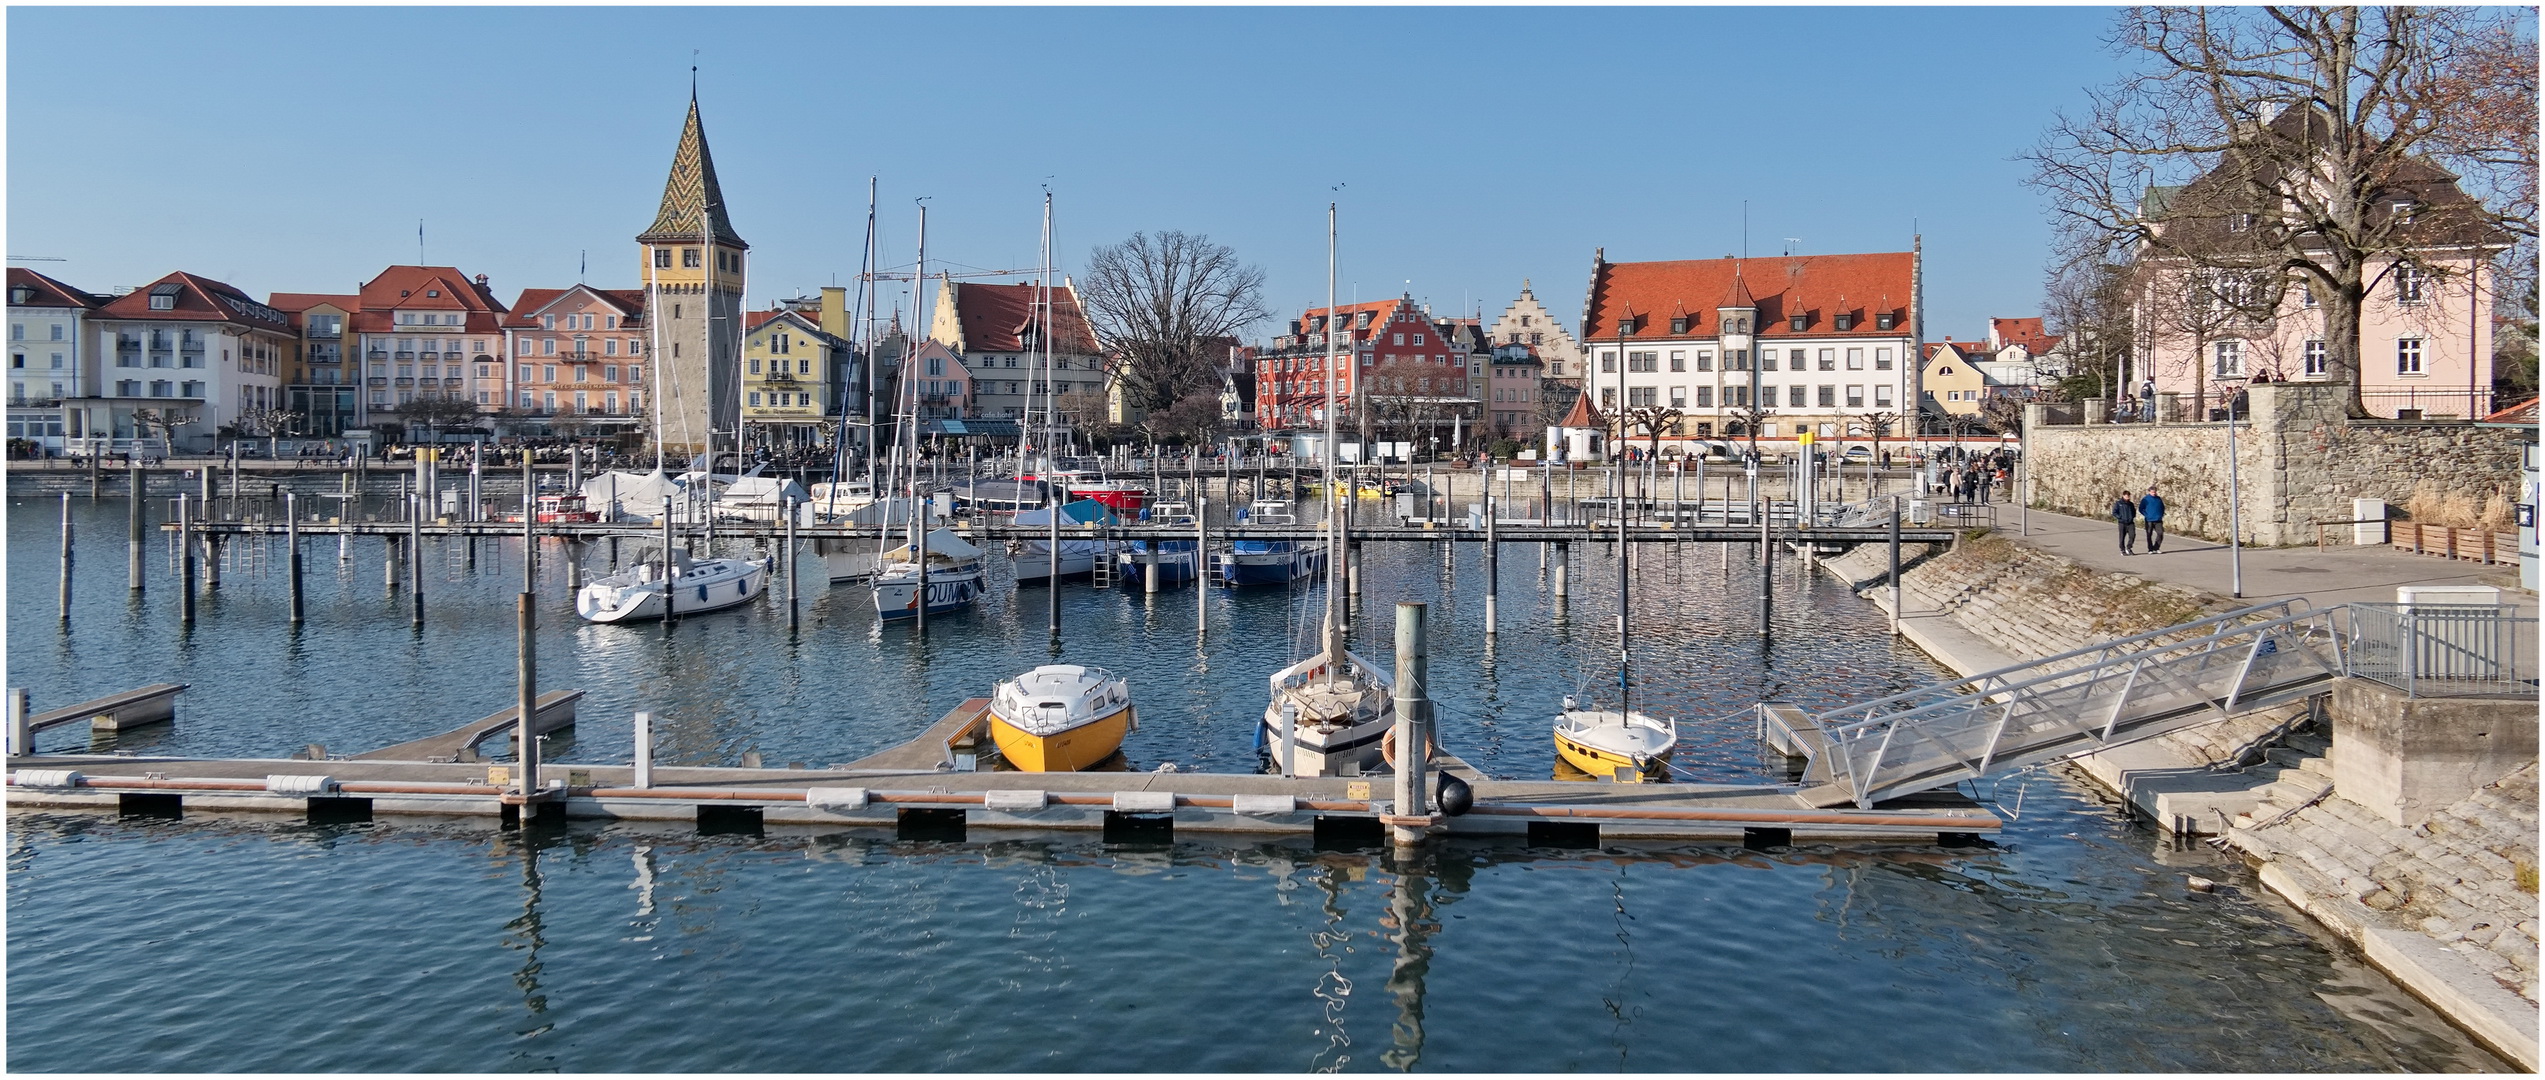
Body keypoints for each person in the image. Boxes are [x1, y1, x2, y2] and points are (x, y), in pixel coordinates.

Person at [2139, 486, 2166, 553]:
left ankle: (2156, 548)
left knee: (2160, 533)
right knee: (2149, 534)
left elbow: (2162, 507)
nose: (2154, 493)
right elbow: (2141, 509)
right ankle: (2150, 549)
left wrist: (2161, 514)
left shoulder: (2158, 499)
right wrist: (2147, 515)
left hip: (2158, 519)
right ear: (2149, 492)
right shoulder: (2145, 499)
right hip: (2149, 520)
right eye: (2152, 492)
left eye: (2155, 492)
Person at [2111, 489, 2139, 554]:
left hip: (2130, 523)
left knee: (2132, 535)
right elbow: (2114, 512)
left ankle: (2129, 548)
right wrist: (2119, 517)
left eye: (2128, 496)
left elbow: (2134, 512)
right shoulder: (2118, 503)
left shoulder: (2131, 504)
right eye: (2126, 496)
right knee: (2122, 537)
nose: (2127, 497)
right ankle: (2122, 549)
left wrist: (2132, 517)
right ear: (2123, 496)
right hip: (2122, 523)